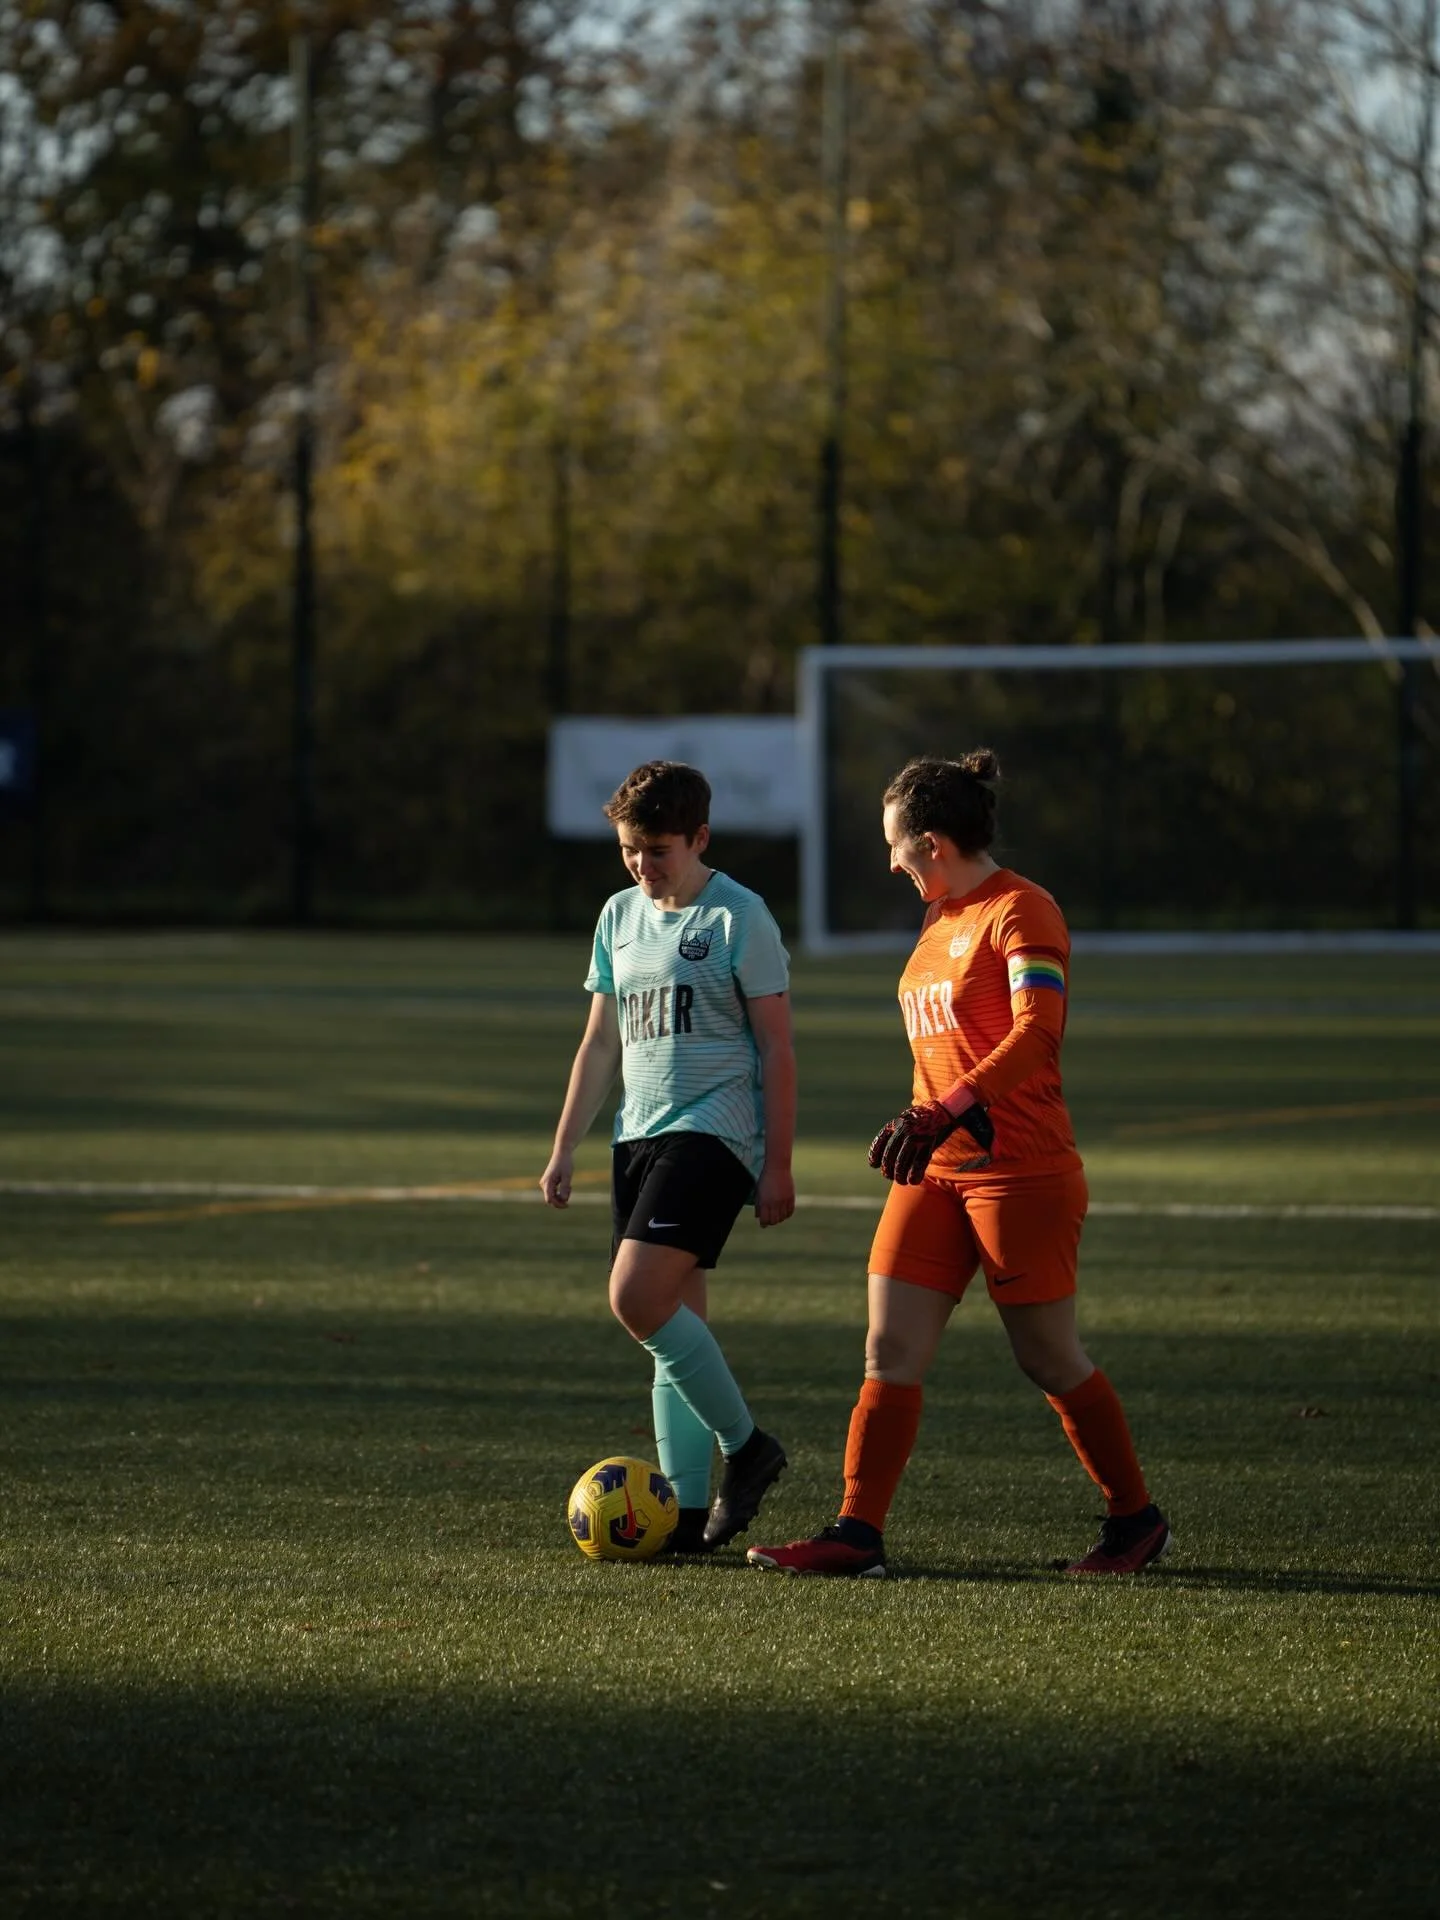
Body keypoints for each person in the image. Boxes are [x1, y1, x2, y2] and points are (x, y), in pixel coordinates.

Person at [747, 750, 1168, 1578]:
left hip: (1020, 1171)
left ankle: (1136, 1521)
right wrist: (926, 1117)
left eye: (895, 845)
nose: (891, 862)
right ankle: (856, 1533)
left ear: (932, 843)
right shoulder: (939, 918)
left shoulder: (1022, 910)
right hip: (937, 1173)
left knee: (1048, 1358)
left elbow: (1037, 1033)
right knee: (888, 1351)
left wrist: (946, 1109)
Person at [540, 759, 796, 1555]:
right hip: (637, 1136)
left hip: (713, 1132)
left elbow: (777, 1048)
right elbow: (600, 1042)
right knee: (673, 1322)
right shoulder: (618, 915)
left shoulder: (738, 916)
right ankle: (684, 1515)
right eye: (629, 849)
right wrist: (565, 1147)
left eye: (658, 850)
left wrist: (778, 1164)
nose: (642, 865)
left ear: (699, 839)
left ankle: (748, 1449)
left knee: (635, 1298)